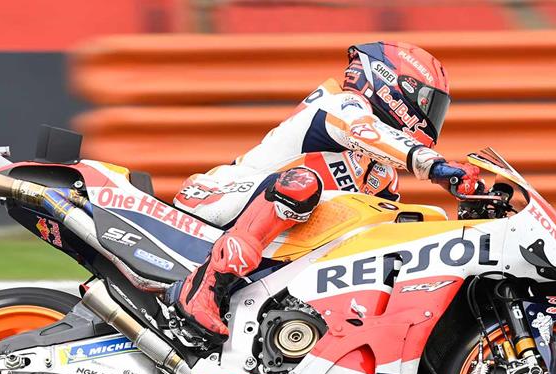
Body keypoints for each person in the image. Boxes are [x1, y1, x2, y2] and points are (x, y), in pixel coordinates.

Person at [171, 41, 481, 341]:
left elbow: (390, 236)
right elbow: (364, 131)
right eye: (428, 103)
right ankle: (202, 289)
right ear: (392, 84)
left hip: (278, 240)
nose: (431, 117)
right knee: (302, 183)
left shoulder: (382, 171)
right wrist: (436, 167)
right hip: (220, 196)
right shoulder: (342, 103)